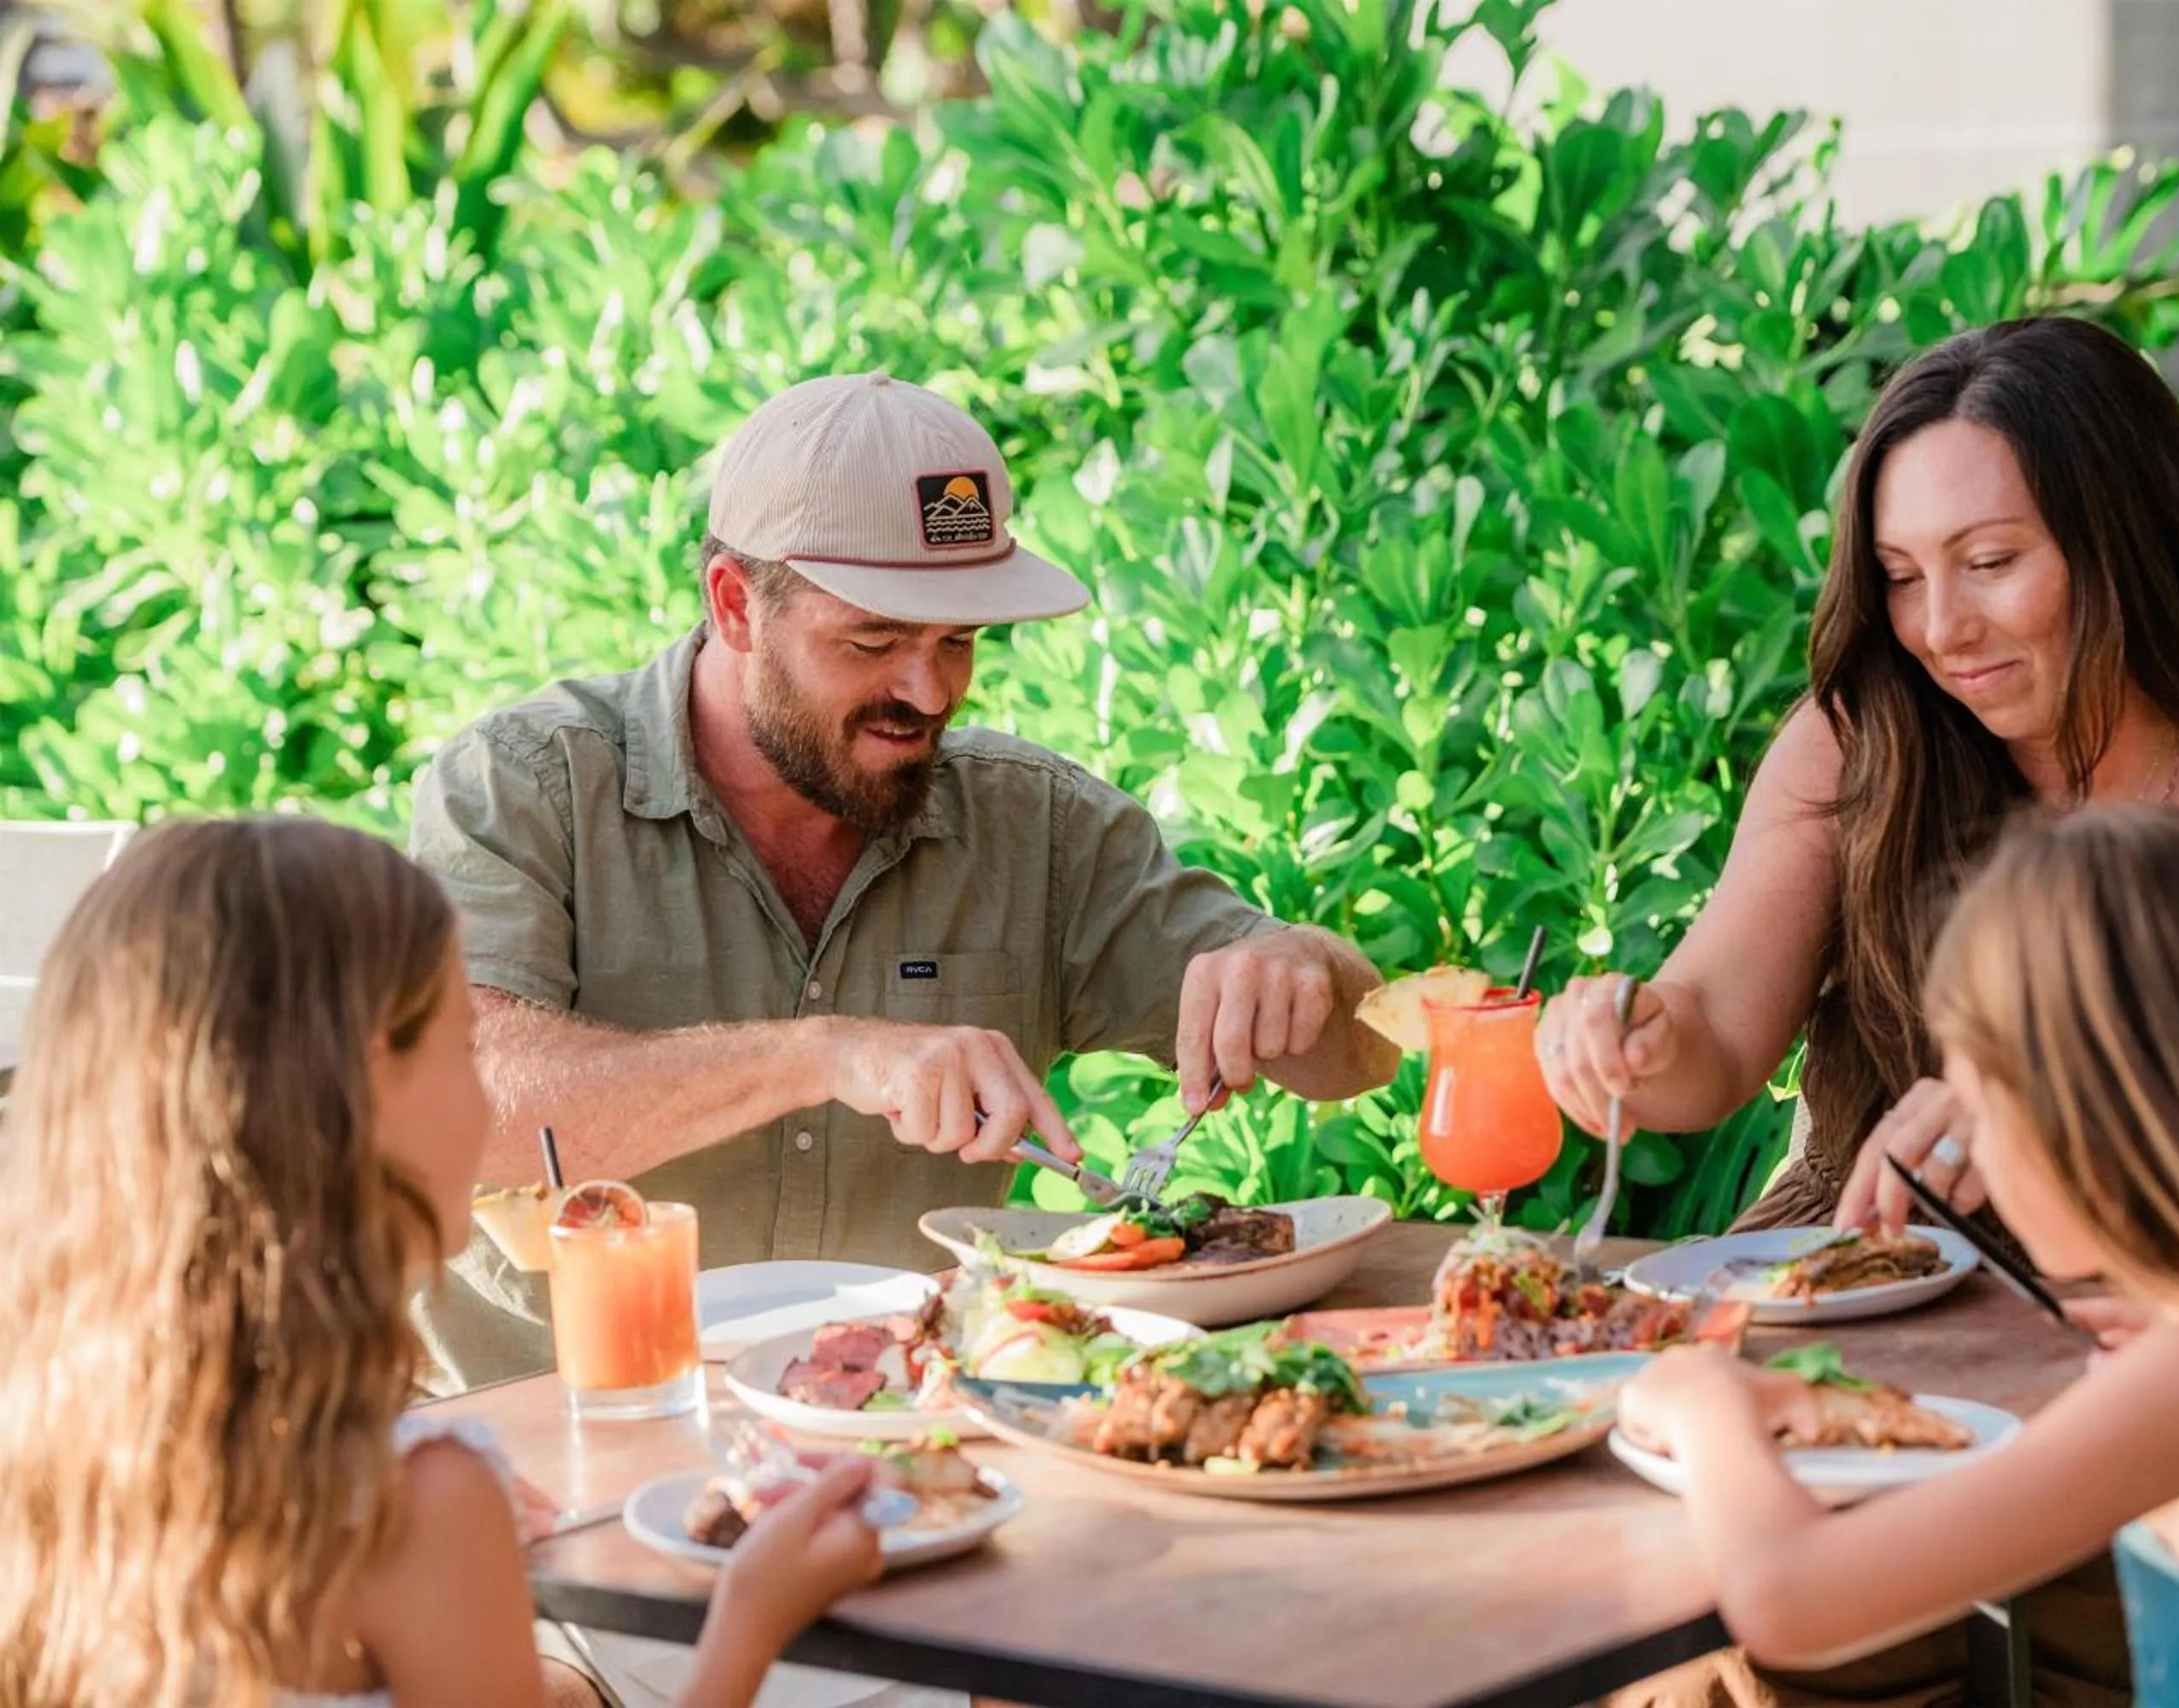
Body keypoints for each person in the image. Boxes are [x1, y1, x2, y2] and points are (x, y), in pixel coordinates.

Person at [1549, 317, 2179, 1705]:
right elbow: (1709, 1039)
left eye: (1990, 562)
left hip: (2131, 1346)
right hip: (1840, 1314)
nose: (1939, 629)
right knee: (1684, 1629)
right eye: (1903, 576)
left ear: (2127, 542)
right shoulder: (1862, 742)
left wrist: (2063, 1103)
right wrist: (1634, 1038)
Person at [410, 371, 1397, 1392]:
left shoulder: (1036, 825)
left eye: (958, 640)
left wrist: (1305, 968)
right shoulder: (525, 785)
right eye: (873, 640)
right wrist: (826, 1055)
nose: (928, 692)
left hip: (889, 1430)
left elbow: (1361, 1056)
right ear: (736, 604)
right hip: (534, 1428)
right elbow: (451, 1113)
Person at [1617, 805, 2179, 1706]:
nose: (1970, 1153)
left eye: (1979, 1113)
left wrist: (1704, 1405)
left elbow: (1793, 1602)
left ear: (2088, 1123)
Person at [0, 817, 895, 1708]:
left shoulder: (50, 1435)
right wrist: (754, 1615)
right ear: (364, 1091)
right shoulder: (413, 1501)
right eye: (465, 1046)